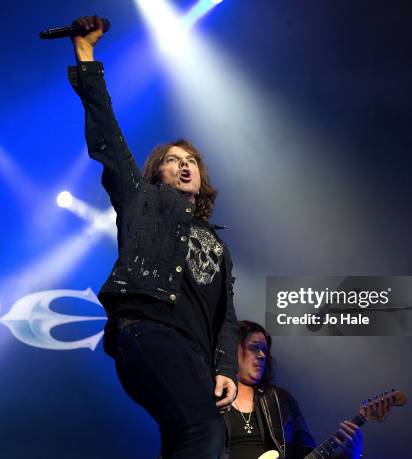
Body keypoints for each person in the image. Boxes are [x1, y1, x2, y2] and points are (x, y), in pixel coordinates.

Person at [68, 15, 239, 458]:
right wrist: (87, 55)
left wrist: (225, 369)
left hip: (196, 358)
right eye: (173, 160)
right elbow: (106, 134)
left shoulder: (217, 245)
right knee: (203, 430)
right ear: (155, 172)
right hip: (150, 332)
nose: (185, 165)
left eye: (192, 161)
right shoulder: (141, 200)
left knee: (192, 441)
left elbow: (227, 315)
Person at [227, 321, 363, 459]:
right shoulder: (211, 397)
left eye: (265, 350)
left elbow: (307, 452)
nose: (262, 355)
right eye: (254, 347)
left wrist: (350, 456)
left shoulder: (281, 400)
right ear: (232, 349)